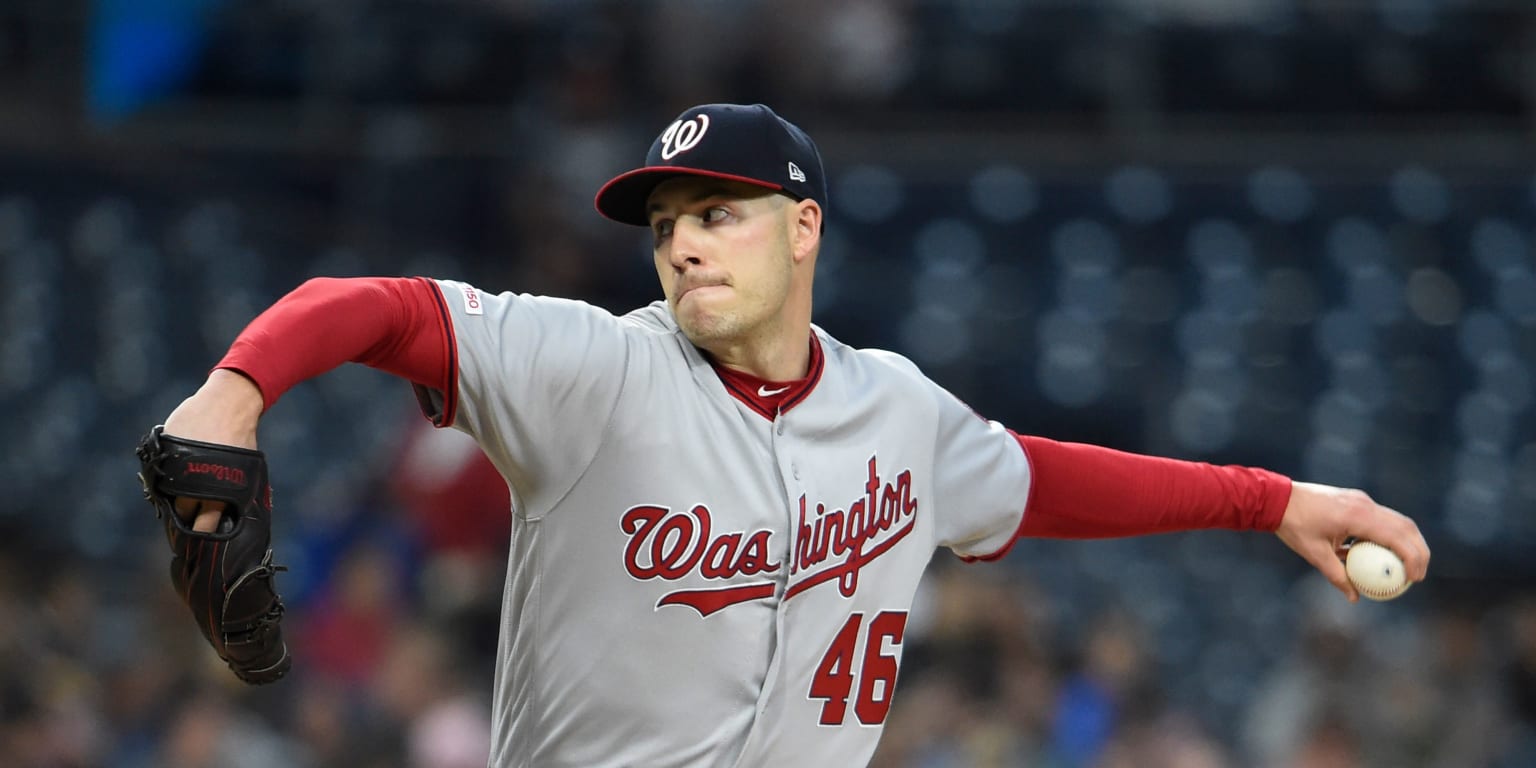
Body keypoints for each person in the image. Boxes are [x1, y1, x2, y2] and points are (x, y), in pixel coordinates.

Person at [155, 103, 1430, 767]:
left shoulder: (901, 412)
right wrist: (235, 391)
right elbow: (378, 309)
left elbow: (1049, 480)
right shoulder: (594, 367)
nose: (683, 241)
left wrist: (1275, 501)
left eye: (720, 211)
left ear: (805, 230)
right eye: (665, 223)